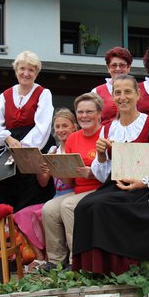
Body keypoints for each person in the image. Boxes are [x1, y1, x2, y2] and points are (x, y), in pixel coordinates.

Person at [72, 75, 149, 275]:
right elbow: (102, 175)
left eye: (128, 91)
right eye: (117, 92)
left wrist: (143, 182)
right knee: (84, 206)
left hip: (145, 189)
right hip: (115, 186)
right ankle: (92, 268)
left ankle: (118, 268)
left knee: (101, 207)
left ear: (138, 95)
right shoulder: (108, 128)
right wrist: (101, 154)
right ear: (112, 96)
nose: (122, 97)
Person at [41, 94, 104, 268]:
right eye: (80, 112)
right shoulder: (73, 138)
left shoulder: (106, 134)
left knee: (67, 205)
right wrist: (57, 170)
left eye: (89, 112)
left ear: (99, 113)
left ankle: (76, 261)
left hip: (102, 189)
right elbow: (69, 183)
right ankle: (55, 261)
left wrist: (93, 173)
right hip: (78, 190)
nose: (84, 116)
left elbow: (114, 170)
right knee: (49, 209)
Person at [12, 108, 78, 257]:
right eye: (58, 126)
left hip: (72, 195)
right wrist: (39, 167)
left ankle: (56, 256)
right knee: (22, 214)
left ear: (74, 126)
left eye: (65, 126)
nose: (61, 130)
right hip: (56, 197)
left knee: (43, 212)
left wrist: (57, 168)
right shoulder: (54, 150)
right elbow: (43, 182)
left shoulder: (76, 147)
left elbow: (74, 182)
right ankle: (41, 258)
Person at [0, 51, 56, 211]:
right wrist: (7, 138)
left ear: (36, 73)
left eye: (31, 70)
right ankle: (8, 235)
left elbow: (42, 127)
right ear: (16, 70)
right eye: (22, 69)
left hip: (34, 150)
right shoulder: (5, 95)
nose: (26, 73)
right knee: (6, 199)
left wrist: (23, 150)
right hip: (8, 151)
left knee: (32, 199)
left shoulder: (43, 93)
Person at [92, 47, 133, 125]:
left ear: (128, 68)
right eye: (114, 65)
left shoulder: (136, 90)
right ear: (108, 68)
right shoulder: (96, 92)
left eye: (122, 65)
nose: (118, 69)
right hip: (105, 136)